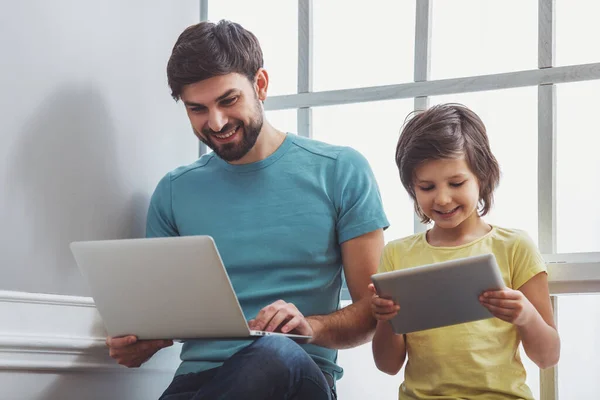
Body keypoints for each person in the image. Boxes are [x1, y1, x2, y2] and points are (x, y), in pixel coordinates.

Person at [105, 20, 389, 400]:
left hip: (296, 376)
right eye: (197, 109)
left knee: (275, 353)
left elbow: (372, 310)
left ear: (261, 85)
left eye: (228, 100)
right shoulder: (173, 192)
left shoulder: (340, 170)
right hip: (198, 382)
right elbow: (163, 317)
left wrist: (311, 326)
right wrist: (138, 342)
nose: (216, 123)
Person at [369, 104, 560, 399]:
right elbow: (387, 365)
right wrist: (386, 319)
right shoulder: (397, 255)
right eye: (427, 186)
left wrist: (526, 315)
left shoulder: (514, 247)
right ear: (412, 188)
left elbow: (548, 357)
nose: (443, 199)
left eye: (456, 183)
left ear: (481, 177)